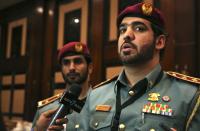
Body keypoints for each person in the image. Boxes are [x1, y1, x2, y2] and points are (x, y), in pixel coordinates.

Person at [78, 2, 200, 131]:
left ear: (159, 42)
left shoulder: (190, 96)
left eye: (139, 28)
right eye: (122, 30)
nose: (127, 35)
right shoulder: (95, 95)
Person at [31, 41, 93, 130]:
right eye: (66, 63)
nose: (71, 67)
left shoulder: (103, 104)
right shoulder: (45, 111)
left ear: (90, 68)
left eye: (78, 61)